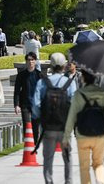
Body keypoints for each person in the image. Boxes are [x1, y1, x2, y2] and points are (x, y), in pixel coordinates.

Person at [33, 53, 77, 184]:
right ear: (64, 66)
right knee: (67, 156)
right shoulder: (70, 83)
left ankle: (49, 181)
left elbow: (35, 105)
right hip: (65, 127)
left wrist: (41, 118)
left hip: (48, 127)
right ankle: (68, 181)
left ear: (51, 66)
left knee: (48, 158)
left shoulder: (42, 82)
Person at [63, 70, 104, 184]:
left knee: (84, 167)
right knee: (99, 163)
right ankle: (100, 181)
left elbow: (71, 117)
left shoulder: (78, 94)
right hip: (100, 134)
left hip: (82, 134)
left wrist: (66, 137)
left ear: (83, 78)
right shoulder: (103, 93)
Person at [14, 52, 42, 144]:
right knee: (26, 124)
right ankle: (28, 143)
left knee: (35, 125)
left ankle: (35, 143)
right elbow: (17, 91)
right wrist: (16, 105)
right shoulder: (21, 75)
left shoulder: (39, 75)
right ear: (26, 61)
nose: (30, 62)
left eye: (32, 60)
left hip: (36, 104)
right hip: (25, 103)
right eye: (29, 60)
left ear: (35, 61)